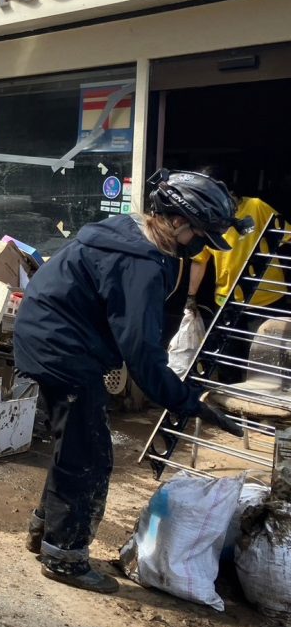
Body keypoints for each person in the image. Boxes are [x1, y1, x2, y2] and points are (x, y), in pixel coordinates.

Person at [13, 170, 248, 594]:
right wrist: (186, 401)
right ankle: (64, 558)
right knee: (89, 454)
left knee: (75, 441)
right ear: (177, 221)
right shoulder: (139, 262)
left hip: (49, 336)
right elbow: (140, 350)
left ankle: (43, 531)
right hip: (61, 348)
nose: (201, 245)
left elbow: (148, 331)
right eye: (200, 233)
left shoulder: (131, 234)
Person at [187, 178, 286, 382]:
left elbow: (284, 234)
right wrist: (190, 296)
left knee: (265, 366)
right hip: (227, 301)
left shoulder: (256, 207)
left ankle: (258, 411)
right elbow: (199, 261)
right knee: (227, 361)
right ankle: (229, 408)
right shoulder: (207, 219)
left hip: (266, 301)